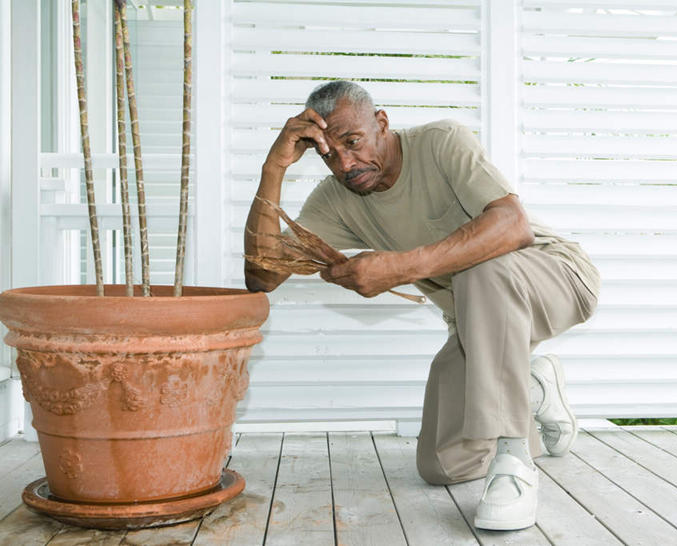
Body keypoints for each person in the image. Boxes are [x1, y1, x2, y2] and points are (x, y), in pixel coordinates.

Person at [244, 81, 600, 531]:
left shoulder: (441, 142)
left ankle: (514, 462)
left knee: (480, 265)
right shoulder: (338, 198)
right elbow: (262, 274)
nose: (346, 164)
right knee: (441, 465)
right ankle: (531, 387)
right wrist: (273, 166)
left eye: (352, 142)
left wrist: (400, 268)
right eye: (328, 154)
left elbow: (513, 225)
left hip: (557, 277)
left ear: (382, 123)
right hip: (479, 328)